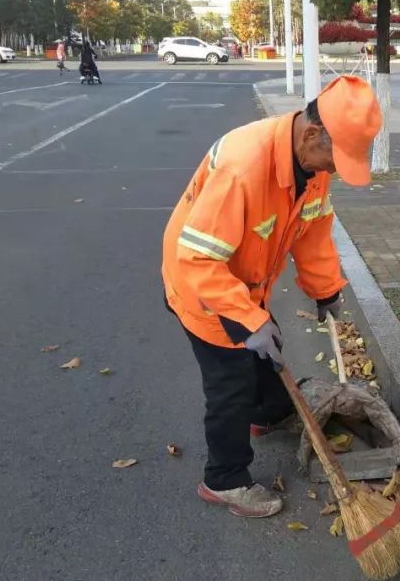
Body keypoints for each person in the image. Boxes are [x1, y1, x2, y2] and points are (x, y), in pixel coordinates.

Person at [161, 75, 382, 518]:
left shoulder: (312, 167)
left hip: (246, 282)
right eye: (335, 157)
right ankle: (224, 479)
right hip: (204, 288)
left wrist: (326, 291)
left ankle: (272, 414)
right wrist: (247, 318)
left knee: (267, 348)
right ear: (313, 133)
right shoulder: (244, 168)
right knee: (231, 383)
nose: (335, 168)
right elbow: (199, 261)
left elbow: (314, 233)